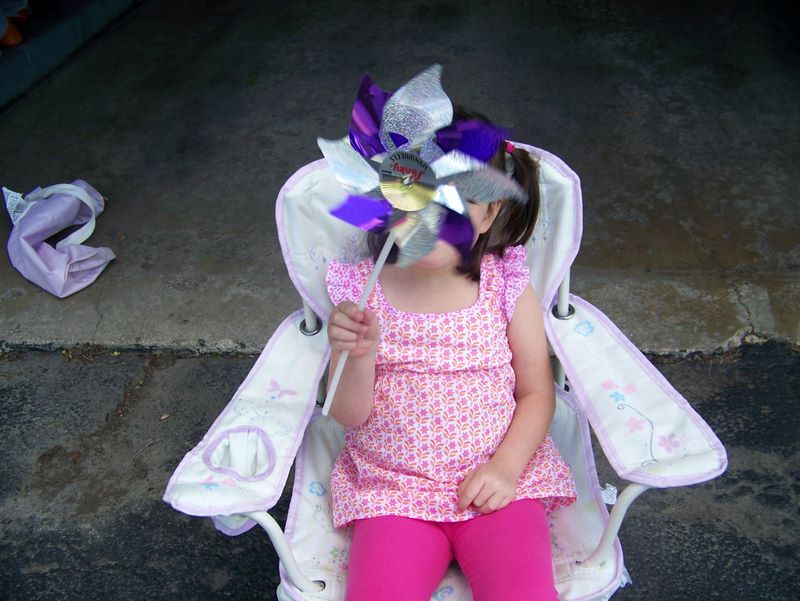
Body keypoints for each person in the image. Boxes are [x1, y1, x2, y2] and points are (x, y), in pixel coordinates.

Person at [325, 112, 576, 601]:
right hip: (394, 491)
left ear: (489, 213)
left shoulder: (504, 283)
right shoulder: (361, 291)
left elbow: (536, 392)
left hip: (496, 484)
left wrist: (506, 468)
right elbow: (350, 414)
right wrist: (355, 354)